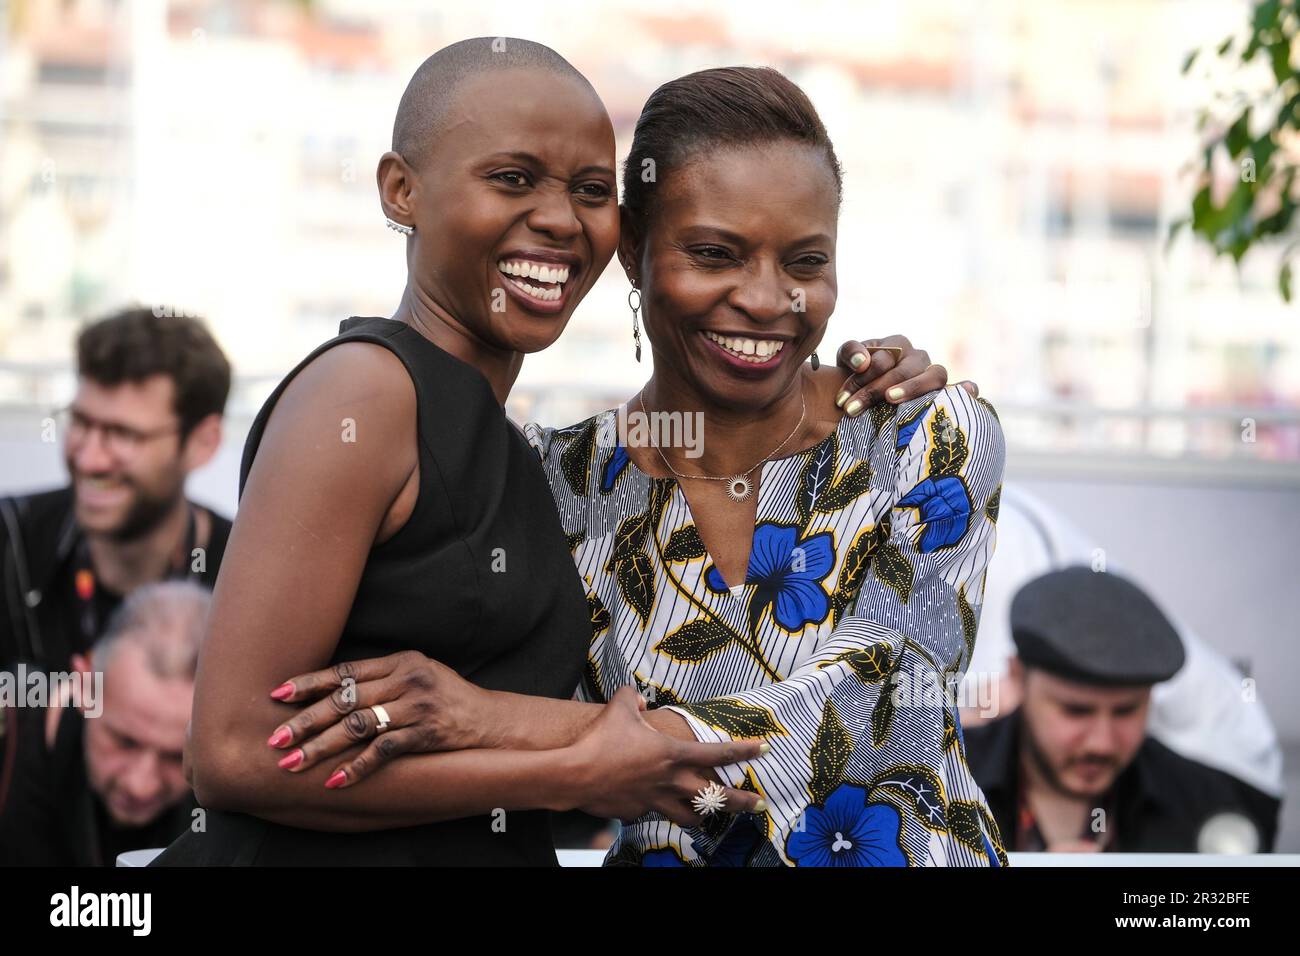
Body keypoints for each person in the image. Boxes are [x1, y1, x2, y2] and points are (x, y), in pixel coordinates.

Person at [266, 66, 1006, 867]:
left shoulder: (927, 436)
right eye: (715, 253)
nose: (766, 300)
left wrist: (489, 718)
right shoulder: (554, 481)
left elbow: (880, 699)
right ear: (632, 255)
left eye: (804, 263)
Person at [961, 565, 1281, 853]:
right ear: (1018, 677)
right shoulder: (939, 781)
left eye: (1126, 711)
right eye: (1076, 711)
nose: (1103, 743)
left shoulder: (1210, 807)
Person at [0, 307, 232, 675]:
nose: (90, 460)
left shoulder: (245, 579)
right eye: (80, 422)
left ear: (203, 442)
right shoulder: (10, 540)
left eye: (124, 434)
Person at [0, 581, 207, 865]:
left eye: (177, 757)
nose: (141, 785)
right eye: (125, 742)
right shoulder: (10, 729)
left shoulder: (231, 799)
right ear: (85, 688)